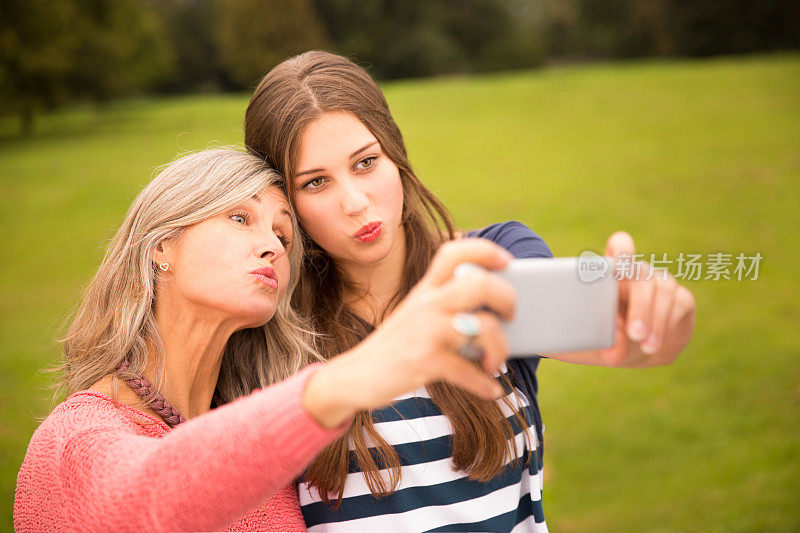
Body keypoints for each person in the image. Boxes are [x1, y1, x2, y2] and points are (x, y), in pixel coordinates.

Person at [244, 51, 697, 531]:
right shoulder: (270, 327)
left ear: (395, 153)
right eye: (316, 183)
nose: (356, 202)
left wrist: (662, 317)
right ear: (283, 201)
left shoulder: (489, 263)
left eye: (366, 162)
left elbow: (615, 334)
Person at [13, 148, 521, 532]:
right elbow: (148, 498)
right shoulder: (74, 438)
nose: (271, 247)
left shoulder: (267, 460)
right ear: (161, 242)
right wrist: (346, 381)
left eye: (283, 236)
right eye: (240, 218)